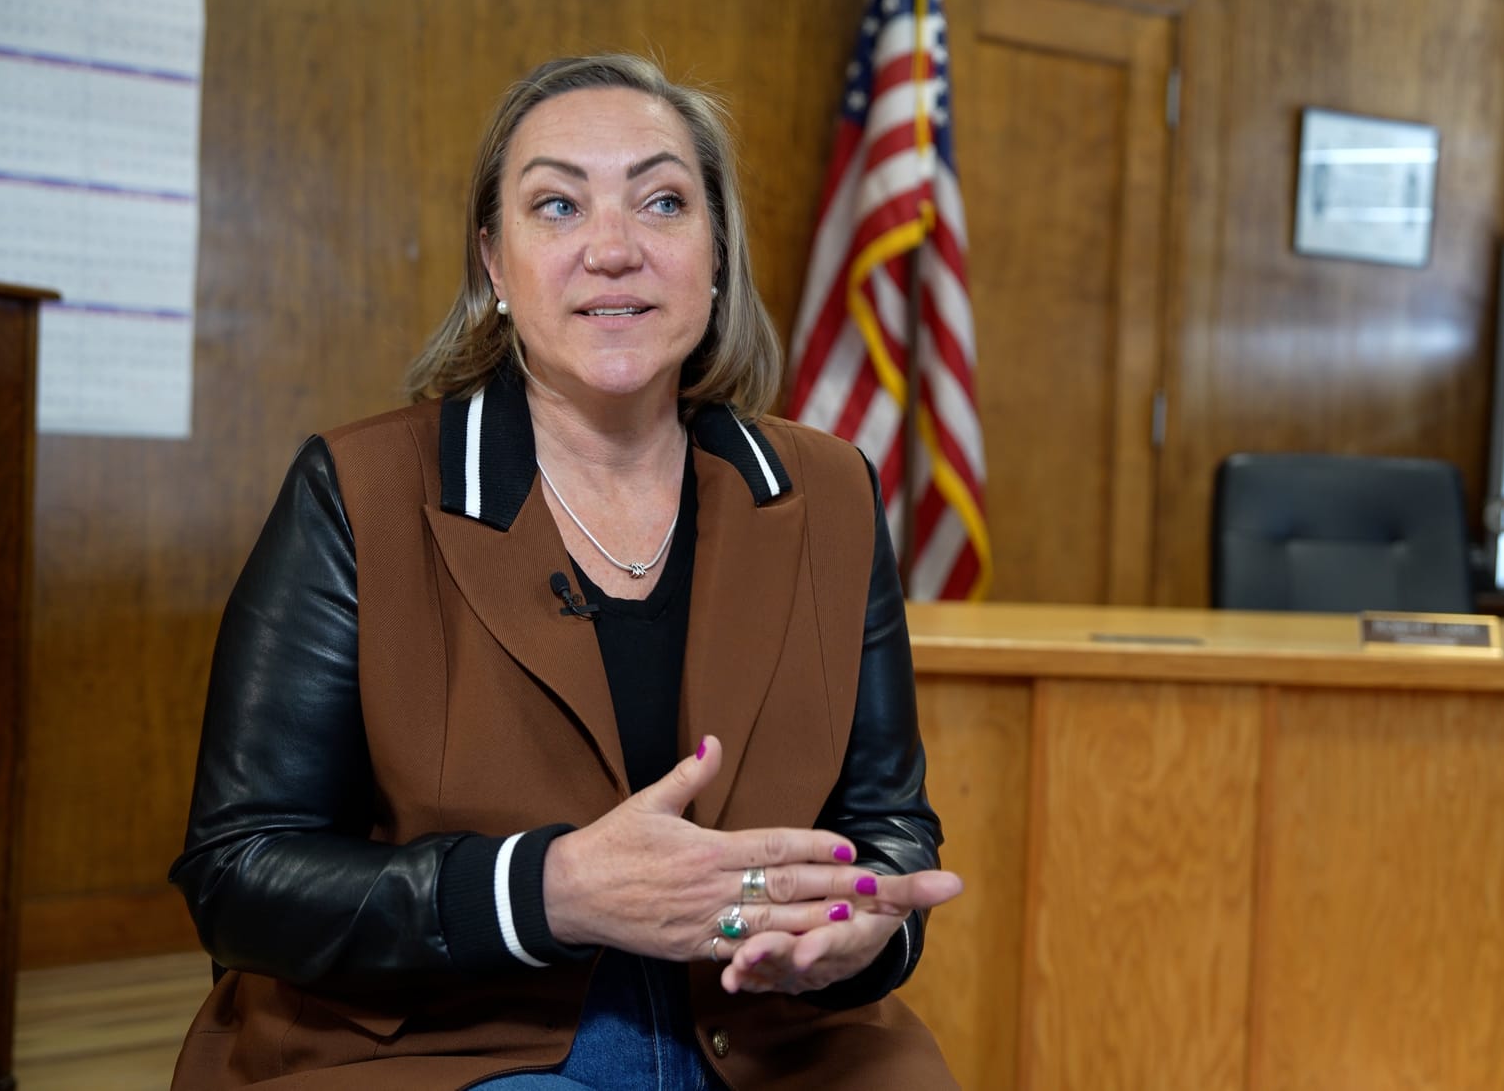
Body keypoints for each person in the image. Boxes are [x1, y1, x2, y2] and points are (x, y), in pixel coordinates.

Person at [168, 53, 963, 1090]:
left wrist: (860, 930)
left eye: (662, 202)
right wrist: (542, 890)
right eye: (557, 206)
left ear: (715, 255)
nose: (613, 250)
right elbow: (238, 873)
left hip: (768, 1038)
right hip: (450, 1043)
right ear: (495, 265)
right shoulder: (356, 491)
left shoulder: (831, 492)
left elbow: (886, 825)